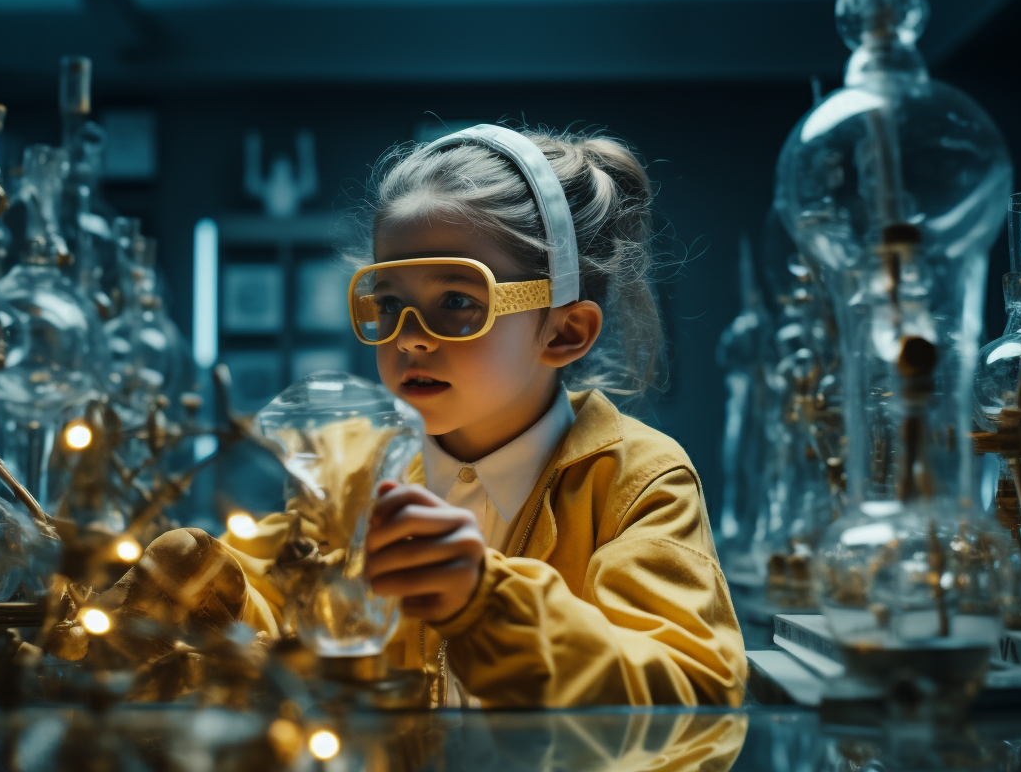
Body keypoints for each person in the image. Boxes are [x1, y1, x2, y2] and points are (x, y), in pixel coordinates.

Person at [103, 124, 746, 708]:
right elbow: (286, 599)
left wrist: (486, 599)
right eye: (388, 303)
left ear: (564, 331)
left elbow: (691, 684)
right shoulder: (353, 462)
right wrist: (218, 592)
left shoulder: (638, 479)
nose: (408, 336)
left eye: (459, 300)